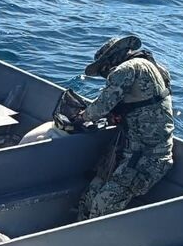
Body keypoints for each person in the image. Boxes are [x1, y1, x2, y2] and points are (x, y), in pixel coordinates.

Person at [74, 34, 174, 220]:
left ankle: (93, 244)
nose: (105, 75)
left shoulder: (126, 69)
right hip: (128, 152)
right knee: (90, 195)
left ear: (112, 60)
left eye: (104, 69)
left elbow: (100, 108)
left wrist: (81, 117)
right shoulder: (156, 68)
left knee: (103, 204)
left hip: (148, 158)